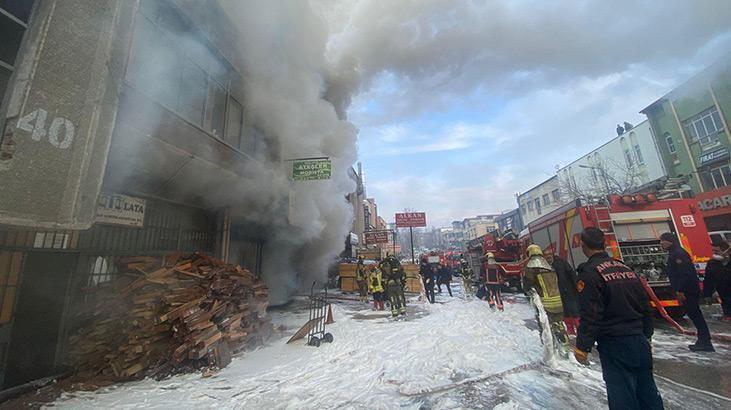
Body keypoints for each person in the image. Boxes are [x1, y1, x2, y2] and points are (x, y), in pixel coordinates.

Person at [575, 227, 663, 410]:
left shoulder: (590, 273)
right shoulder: (625, 268)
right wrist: (647, 334)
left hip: (615, 343)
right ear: (604, 243)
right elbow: (645, 304)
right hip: (638, 340)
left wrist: (583, 346)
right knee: (647, 392)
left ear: (583, 246)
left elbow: (591, 312)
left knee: (622, 395)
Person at [659, 232, 714, 352]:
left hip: (688, 291)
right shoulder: (675, 253)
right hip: (687, 290)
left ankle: (705, 342)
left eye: (662, 240)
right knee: (694, 315)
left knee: (696, 315)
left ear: (670, 241)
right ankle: (703, 340)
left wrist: (680, 289)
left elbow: (685, 273)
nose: (661, 243)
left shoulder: (678, 253)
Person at [522, 244, 569, 354]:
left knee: (545, 327)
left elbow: (527, 286)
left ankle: (550, 351)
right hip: (558, 301)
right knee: (559, 324)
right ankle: (565, 349)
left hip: (545, 304)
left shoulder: (531, 267)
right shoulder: (549, 265)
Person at [543, 248, 580, 335]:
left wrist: (576, 287)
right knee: (565, 312)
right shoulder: (546, 266)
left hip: (568, 290)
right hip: (558, 293)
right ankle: (570, 329)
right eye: (546, 256)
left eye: (549, 255)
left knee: (575, 311)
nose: (548, 257)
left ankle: (580, 329)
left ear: (552, 255)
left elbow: (572, 274)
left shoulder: (561, 263)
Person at [703, 239, 731, 322]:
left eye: (716, 251)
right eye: (713, 251)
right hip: (723, 293)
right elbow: (708, 280)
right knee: (728, 314)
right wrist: (707, 294)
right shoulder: (712, 263)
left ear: (726, 251)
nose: (714, 253)